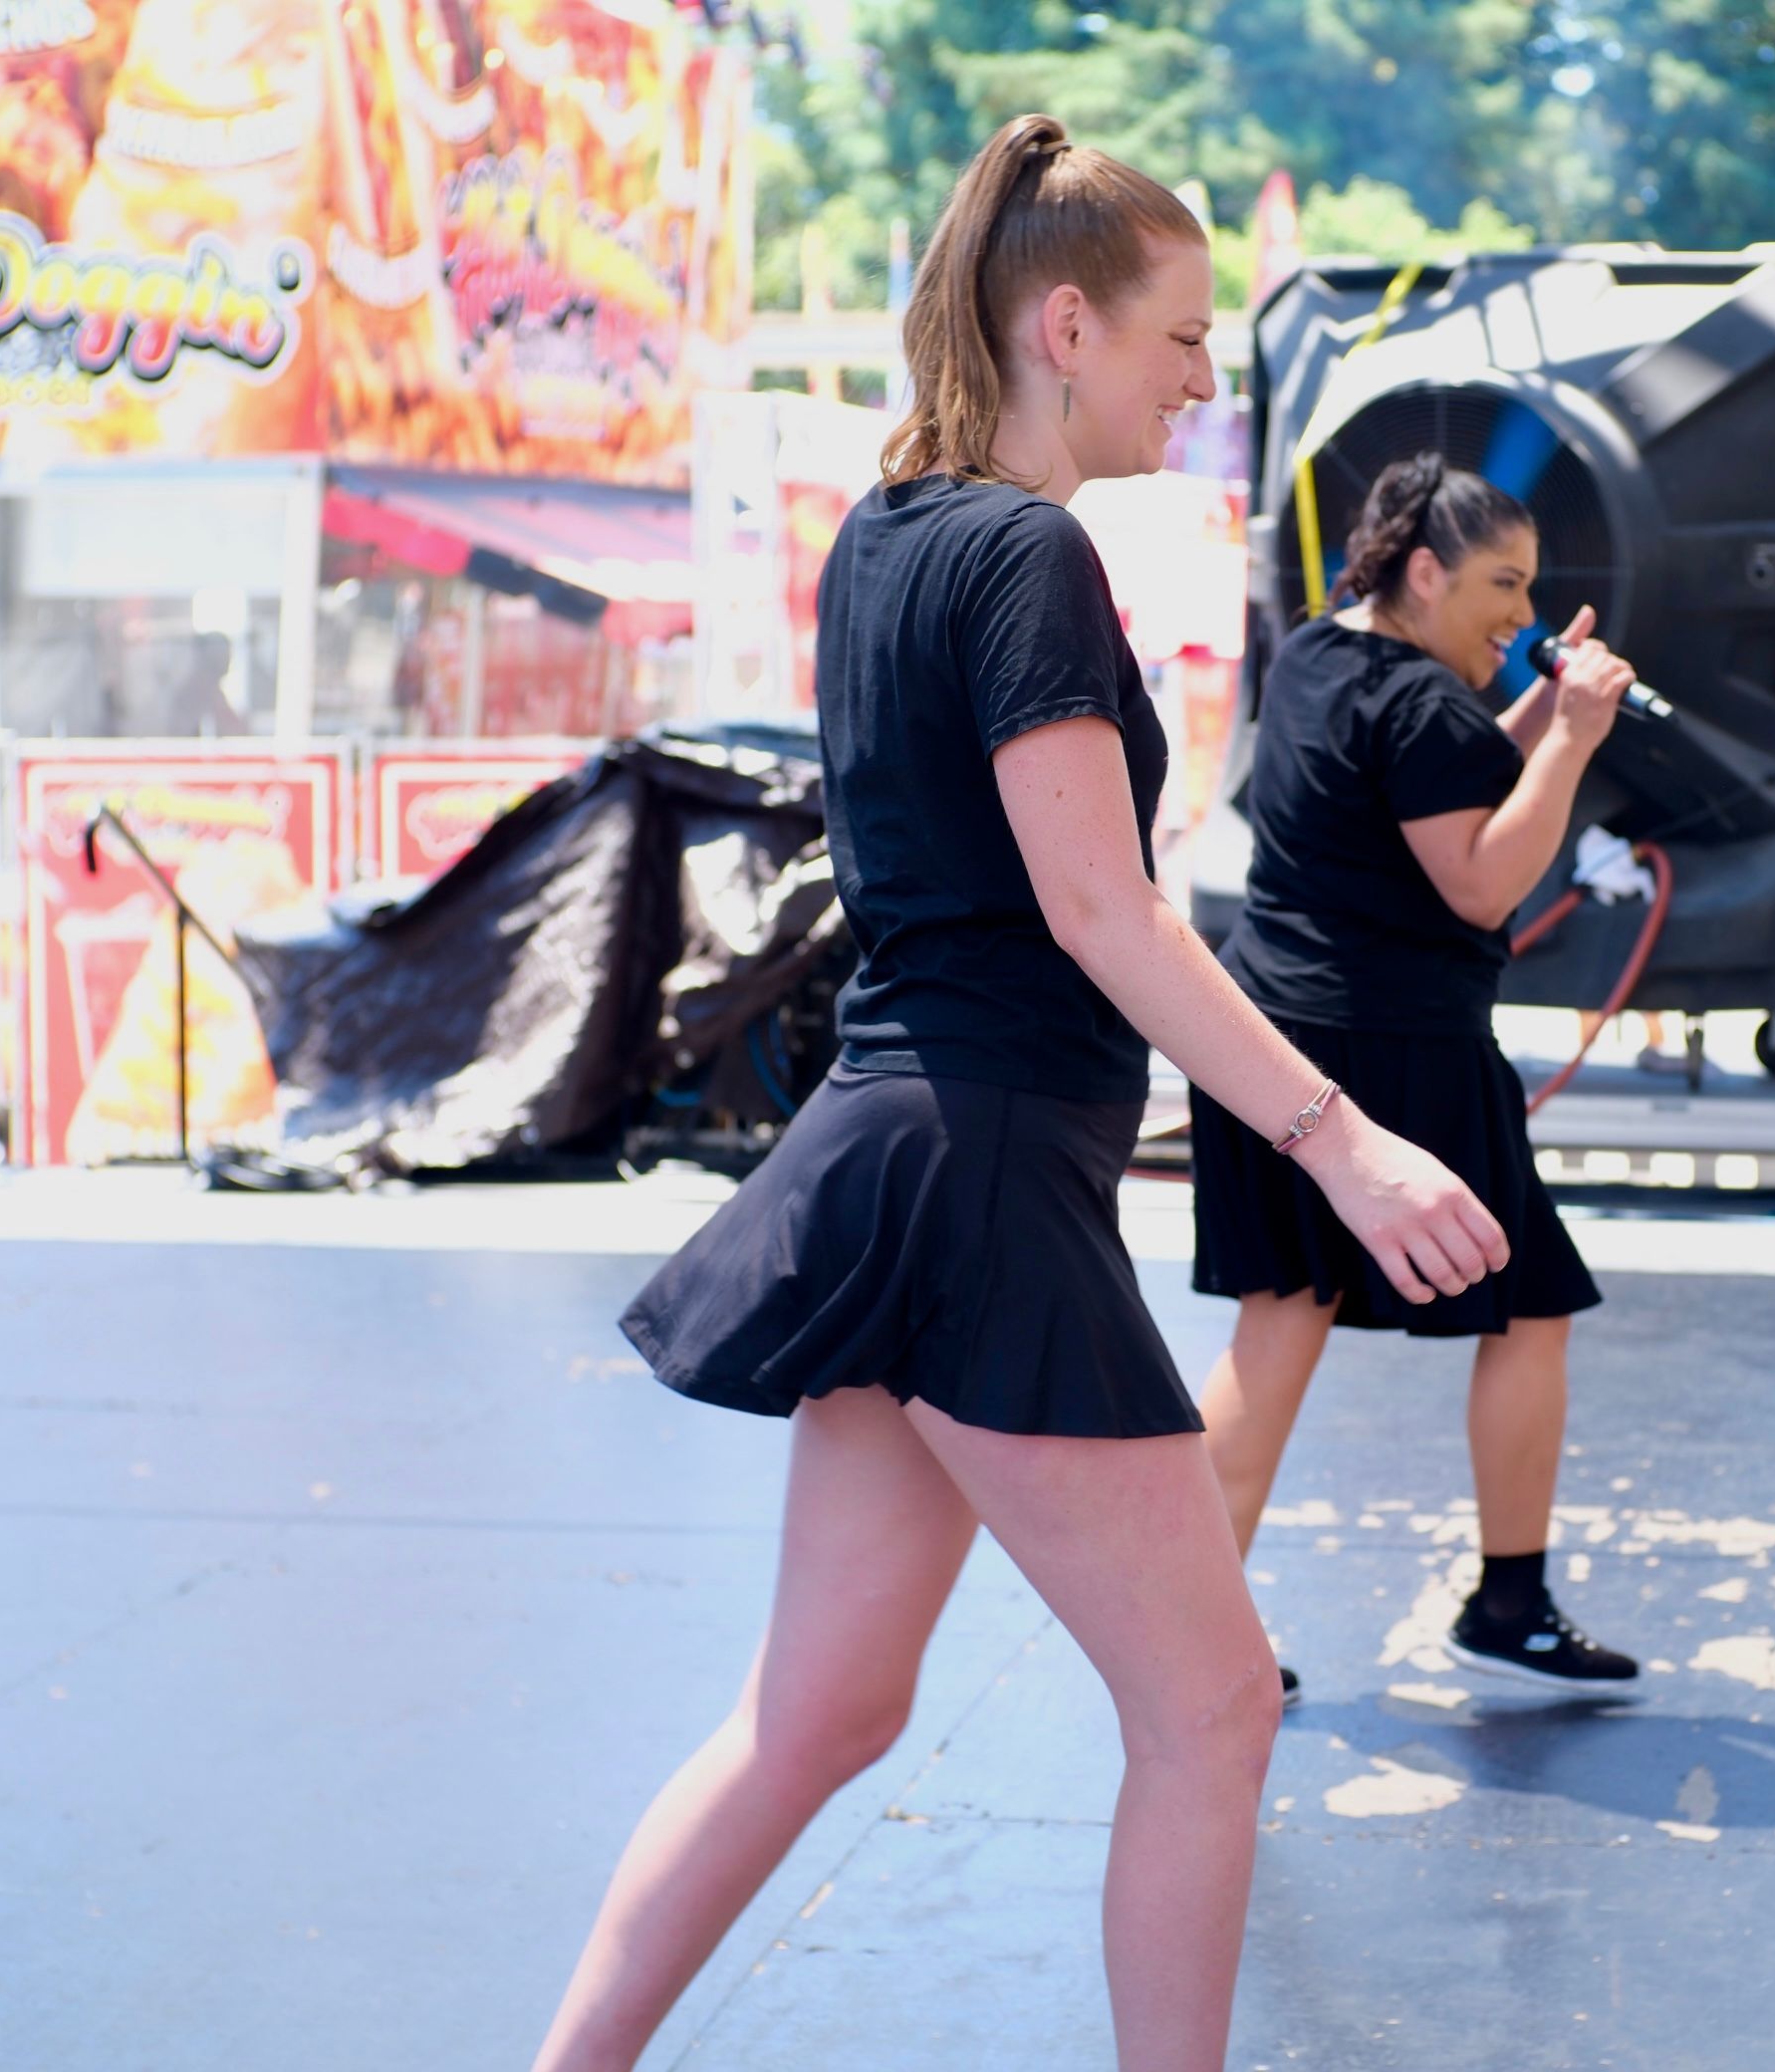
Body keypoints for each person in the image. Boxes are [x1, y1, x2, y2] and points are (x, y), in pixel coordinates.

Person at [540, 117, 1509, 2072]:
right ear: (1064, 324)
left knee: (819, 1714)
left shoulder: (887, 539)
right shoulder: (1020, 551)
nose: (1203, 377)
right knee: (1214, 1703)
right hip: (973, 1173)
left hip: (896, 1162)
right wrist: (1343, 1132)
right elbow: (1099, 906)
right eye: (1181, 336)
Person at [1188, 452, 1645, 1698]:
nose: (1523, 613)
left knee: (1279, 1319)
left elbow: (1428, 779)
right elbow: (1483, 877)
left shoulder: (1318, 659)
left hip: (1269, 1038)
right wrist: (1577, 736)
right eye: (1503, 583)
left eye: (1534, 588)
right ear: (1425, 570)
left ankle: (1192, 1634)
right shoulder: (1422, 706)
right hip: (1395, 1048)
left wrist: (1541, 717)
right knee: (1530, 1301)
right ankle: (1509, 1596)